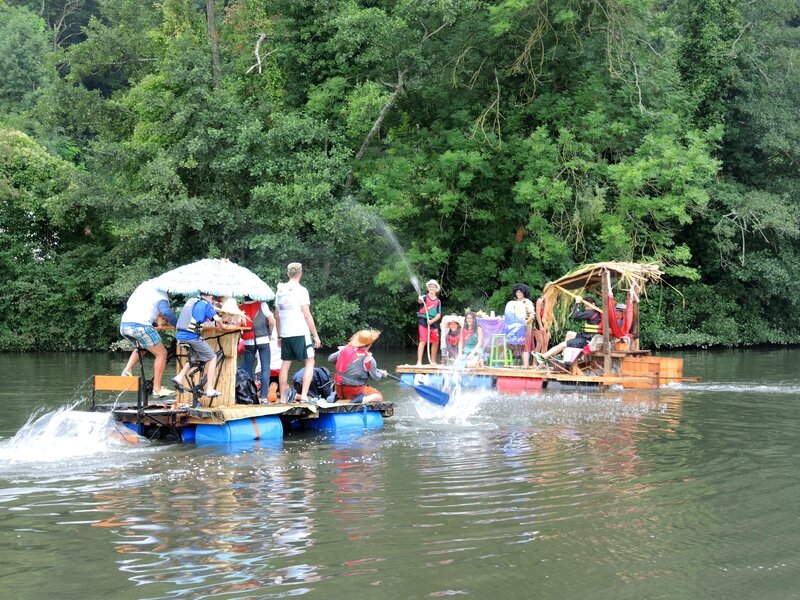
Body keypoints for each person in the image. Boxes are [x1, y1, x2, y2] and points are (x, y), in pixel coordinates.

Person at [119, 279, 177, 399]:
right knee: (162, 353)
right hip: (141, 326)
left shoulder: (144, 286)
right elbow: (166, 312)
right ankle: (157, 389)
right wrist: (178, 324)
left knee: (143, 345)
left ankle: (127, 370)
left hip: (125, 325)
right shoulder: (161, 295)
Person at [275, 262, 321, 402]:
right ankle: (304, 396)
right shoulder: (301, 290)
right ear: (300, 274)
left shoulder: (280, 291)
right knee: (310, 361)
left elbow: (277, 315)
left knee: (285, 364)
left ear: (288, 274)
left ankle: (282, 398)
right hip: (301, 332)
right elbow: (306, 314)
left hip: (286, 333)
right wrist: (316, 336)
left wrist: (279, 335)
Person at [173, 292, 223, 397]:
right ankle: (209, 389)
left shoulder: (191, 301)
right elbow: (217, 319)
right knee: (212, 357)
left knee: (194, 357)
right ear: (210, 296)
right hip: (191, 337)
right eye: (212, 297)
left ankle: (179, 377)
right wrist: (223, 326)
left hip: (179, 336)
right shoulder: (206, 304)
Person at [535, 294, 603, 367]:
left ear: (593, 304)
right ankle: (562, 355)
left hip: (589, 340)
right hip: (587, 336)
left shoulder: (592, 312)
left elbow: (575, 315)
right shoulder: (595, 312)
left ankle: (543, 357)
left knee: (563, 344)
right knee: (570, 334)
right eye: (585, 306)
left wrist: (577, 303)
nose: (586, 308)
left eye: (587, 306)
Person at [329, 329, 387, 403]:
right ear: (370, 344)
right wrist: (382, 374)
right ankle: (362, 400)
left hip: (339, 389)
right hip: (354, 391)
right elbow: (375, 377)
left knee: (343, 386)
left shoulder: (344, 349)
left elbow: (330, 359)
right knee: (378, 396)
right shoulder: (369, 358)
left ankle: (335, 396)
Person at [239, 295, 276, 403]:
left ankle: (250, 396)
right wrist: (269, 333)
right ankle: (264, 397)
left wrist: (242, 336)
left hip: (248, 341)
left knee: (248, 369)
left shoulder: (240, 308)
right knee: (265, 368)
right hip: (263, 339)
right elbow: (272, 321)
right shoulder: (262, 305)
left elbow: (239, 325)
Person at [504, 283, 535, 366]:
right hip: (515, 327)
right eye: (517, 292)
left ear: (524, 292)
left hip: (526, 327)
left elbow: (532, 315)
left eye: (520, 292)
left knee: (525, 345)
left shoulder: (527, 302)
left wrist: (525, 323)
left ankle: (526, 364)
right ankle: (515, 364)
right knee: (515, 345)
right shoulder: (514, 303)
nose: (518, 293)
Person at [416, 279, 442, 365]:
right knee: (423, 340)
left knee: (436, 341)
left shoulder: (438, 301)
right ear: (428, 288)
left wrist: (431, 321)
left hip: (432, 321)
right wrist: (419, 299)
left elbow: (438, 314)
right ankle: (419, 362)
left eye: (433, 286)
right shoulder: (424, 297)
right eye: (430, 286)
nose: (431, 287)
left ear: (436, 289)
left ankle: (433, 361)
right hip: (423, 320)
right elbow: (420, 301)